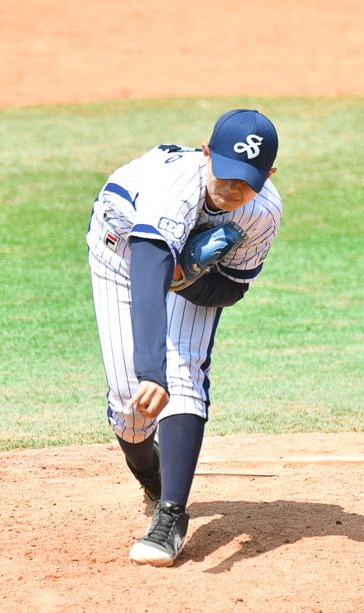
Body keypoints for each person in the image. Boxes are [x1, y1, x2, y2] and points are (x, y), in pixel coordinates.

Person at [86, 109, 283, 566]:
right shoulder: (174, 189)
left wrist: (187, 278)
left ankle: (171, 514)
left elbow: (231, 288)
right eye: (226, 174)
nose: (233, 189)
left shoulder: (263, 210)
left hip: (176, 274)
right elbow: (149, 265)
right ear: (206, 153)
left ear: (268, 174)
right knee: (132, 403)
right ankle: (150, 475)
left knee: (185, 369)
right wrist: (149, 370)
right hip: (122, 254)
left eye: (247, 180)